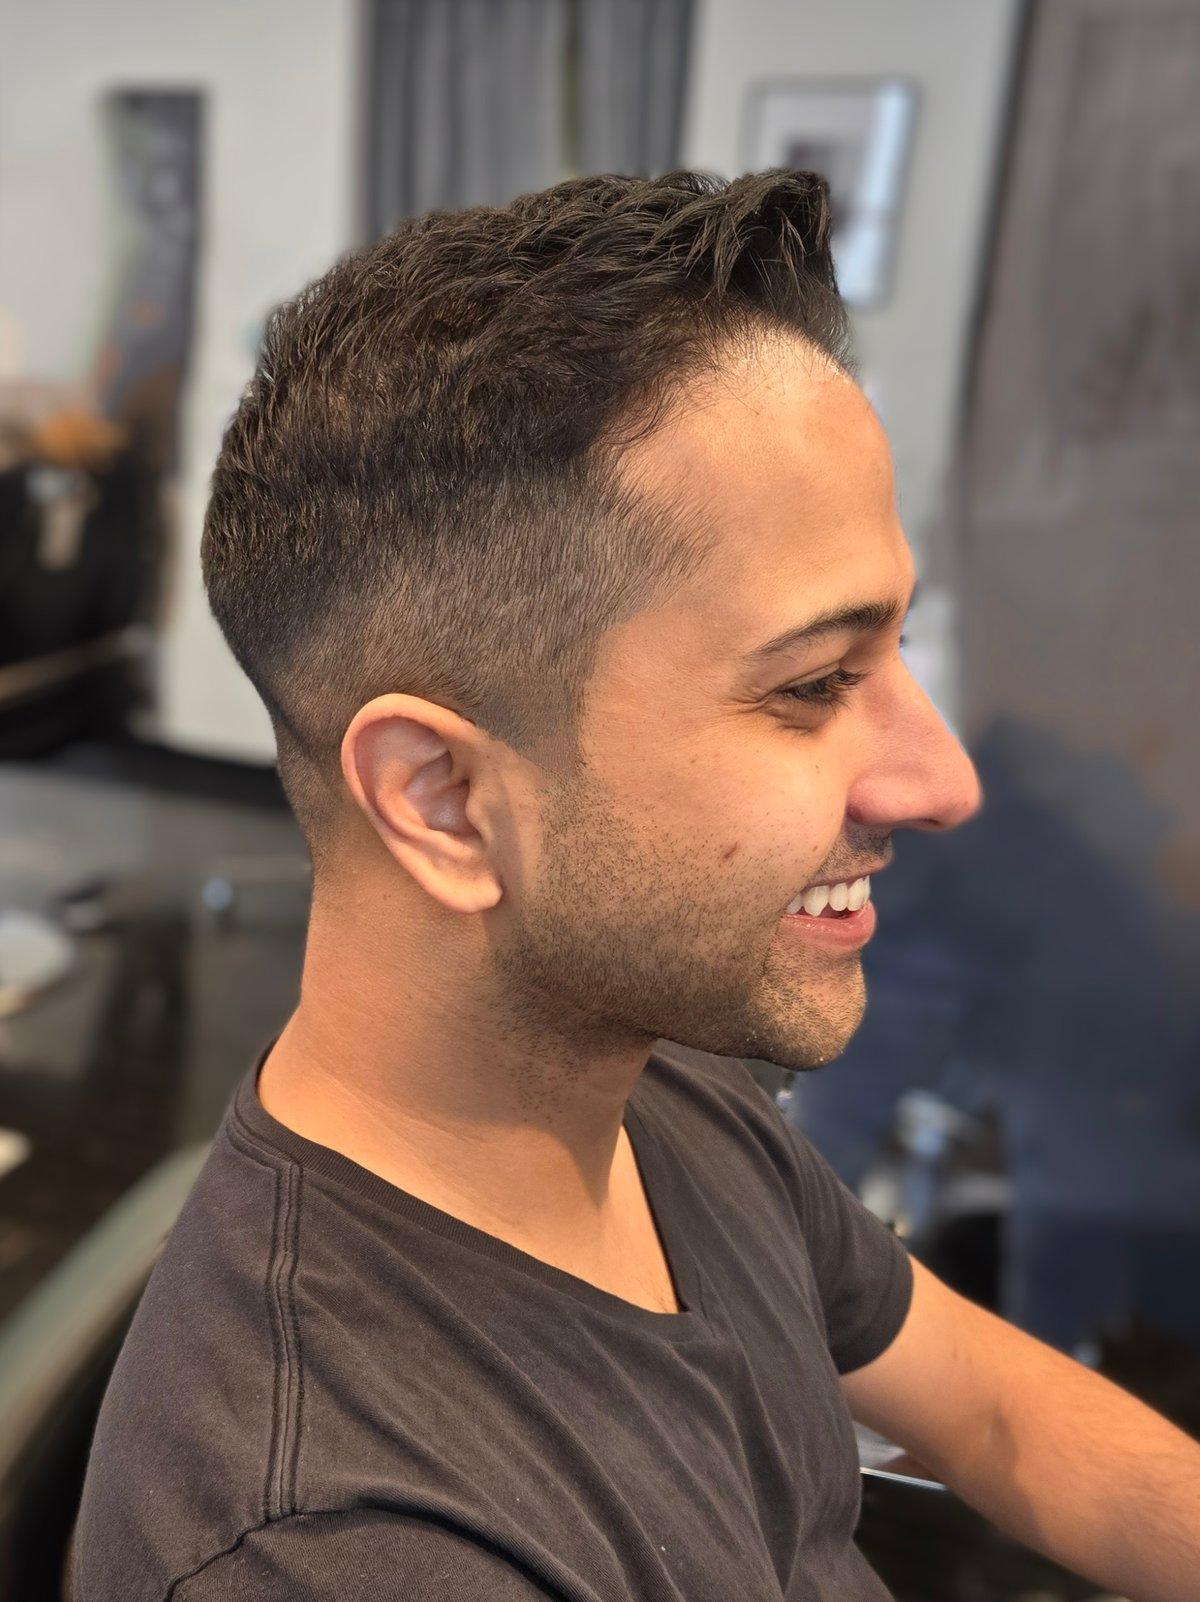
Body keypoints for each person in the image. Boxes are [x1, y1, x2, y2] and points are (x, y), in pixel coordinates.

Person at [71, 170, 1200, 1602]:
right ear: (445, 798)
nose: (941, 779)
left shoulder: (659, 1079)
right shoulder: (344, 1546)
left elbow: (998, 1415)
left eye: (896, 648)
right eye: (814, 683)